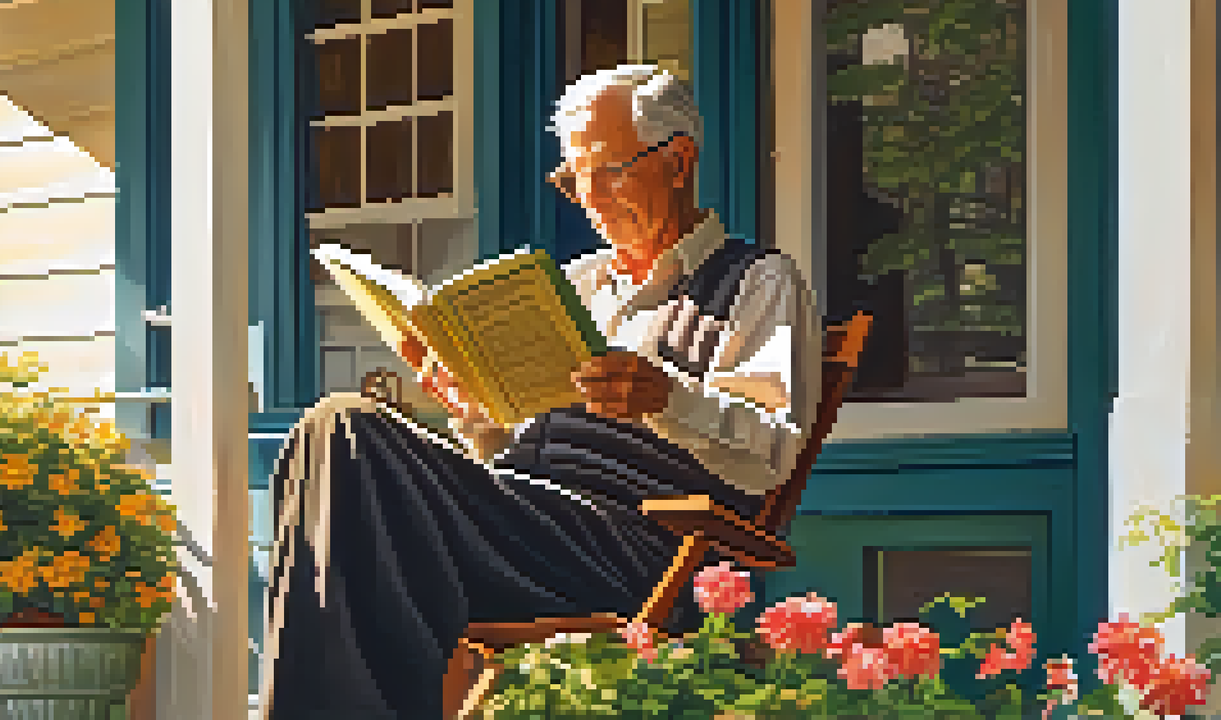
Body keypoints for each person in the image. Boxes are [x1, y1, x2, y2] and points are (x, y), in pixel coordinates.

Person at [260, 64, 823, 720]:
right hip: (522, 520)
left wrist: (667, 398)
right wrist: (475, 412)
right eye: (574, 177)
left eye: (609, 170)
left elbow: (773, 450)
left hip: (632, 546)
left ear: (679, 161)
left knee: (350, 435)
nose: (591, 197)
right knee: (326, 447)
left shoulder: (758, 282)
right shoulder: (573, 285)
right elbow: (513, 444)